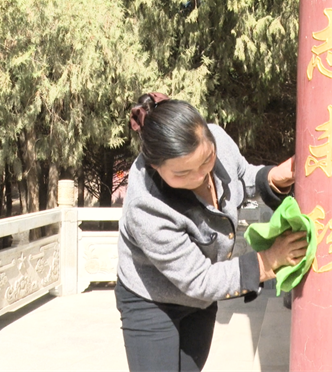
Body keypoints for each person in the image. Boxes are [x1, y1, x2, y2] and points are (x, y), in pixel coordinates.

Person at [116, 92, 308, 371]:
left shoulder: (217, 139)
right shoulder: (146, 208)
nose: (200, 177)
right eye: (182, 173)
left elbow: (240, 175)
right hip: (150, 301)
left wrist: (273, 177)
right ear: (155, 166)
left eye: (206, 160)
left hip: (199, 303)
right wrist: (267, 262)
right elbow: (200, 279)